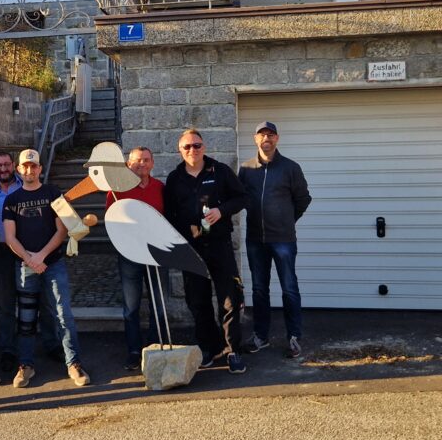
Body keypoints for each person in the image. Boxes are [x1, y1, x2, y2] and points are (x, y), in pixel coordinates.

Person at [3, 148, 91, 388]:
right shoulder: (12, 200)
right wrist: (30, 259)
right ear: (19, 170)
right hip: (25, 266)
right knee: (26, 318)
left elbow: (62, 230)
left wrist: (41, 256)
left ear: (40, 169)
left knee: (63, 314)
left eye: (34, 166)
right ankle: (26, 365)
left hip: (52, 264)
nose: (29, 170)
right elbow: (10, 237)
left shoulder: (53, 194)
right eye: (25, 166)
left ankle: (73, 363)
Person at [163, 129, 249, 374]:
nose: (193, 150)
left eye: (197, 145)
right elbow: (170, 214)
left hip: (219, 244)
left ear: (204, 147)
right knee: (197, 300)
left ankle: (233, 350)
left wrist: (222, 211)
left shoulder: (220, 171)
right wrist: (185, 230)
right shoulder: (174, 178)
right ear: (180, 150)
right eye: (187, 146)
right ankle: (209, 348)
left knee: (230, 299)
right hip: (191, 248)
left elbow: (242, 198)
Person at [0, 152, 61, 376]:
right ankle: (8, 350)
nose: (3, 168)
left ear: (14, 166)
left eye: (6, 164)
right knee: (6, 304)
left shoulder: (26, 184)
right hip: (1, 254)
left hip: (31, 252)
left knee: (43, 300)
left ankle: (51, 343)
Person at [238, 122, 312, 359]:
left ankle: (294, 337)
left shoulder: (290, 168)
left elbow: (303, 199)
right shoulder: (246, 169)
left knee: (289, 288)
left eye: (270, 135)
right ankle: (260, 336)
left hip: (283, 240)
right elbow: (240, 198)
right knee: (259, 289)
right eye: (262, 135)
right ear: (255, 139)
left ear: (277, 139)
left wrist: (287, 220)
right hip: (255, 240)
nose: (266, 139)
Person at [105, 146, 172, 371]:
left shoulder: (160, 188)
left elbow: (168, 218)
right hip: (130, 255)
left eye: (145, 160)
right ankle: (134, 351)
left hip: (157, 253)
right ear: (128, 164)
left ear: (152, 163)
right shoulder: (117, 190)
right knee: (131, 307)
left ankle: (156, 346)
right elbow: (111, 222)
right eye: (136, 161)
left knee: (159, 305)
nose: (141, 164)